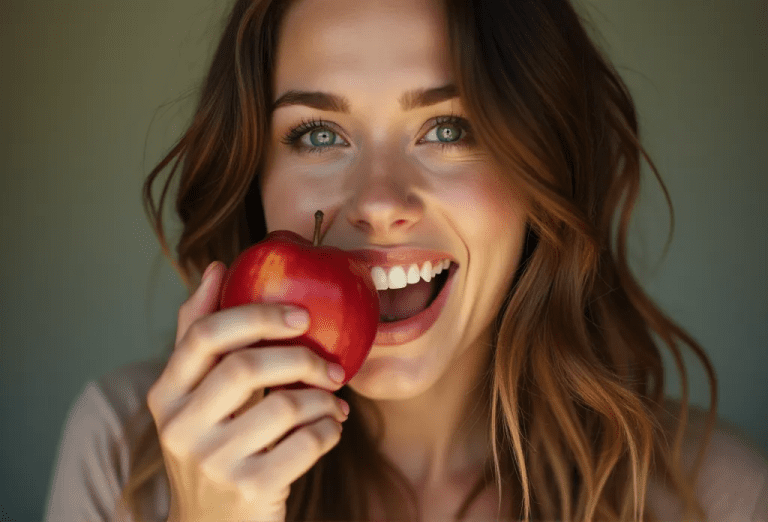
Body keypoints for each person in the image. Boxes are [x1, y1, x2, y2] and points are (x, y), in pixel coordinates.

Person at [43, 0, 768, 520]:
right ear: (255, 174)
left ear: (541, 168)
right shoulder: (120, 453)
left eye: (448, 128)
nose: (378, 201)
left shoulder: (718, 497)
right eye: (319, 135)